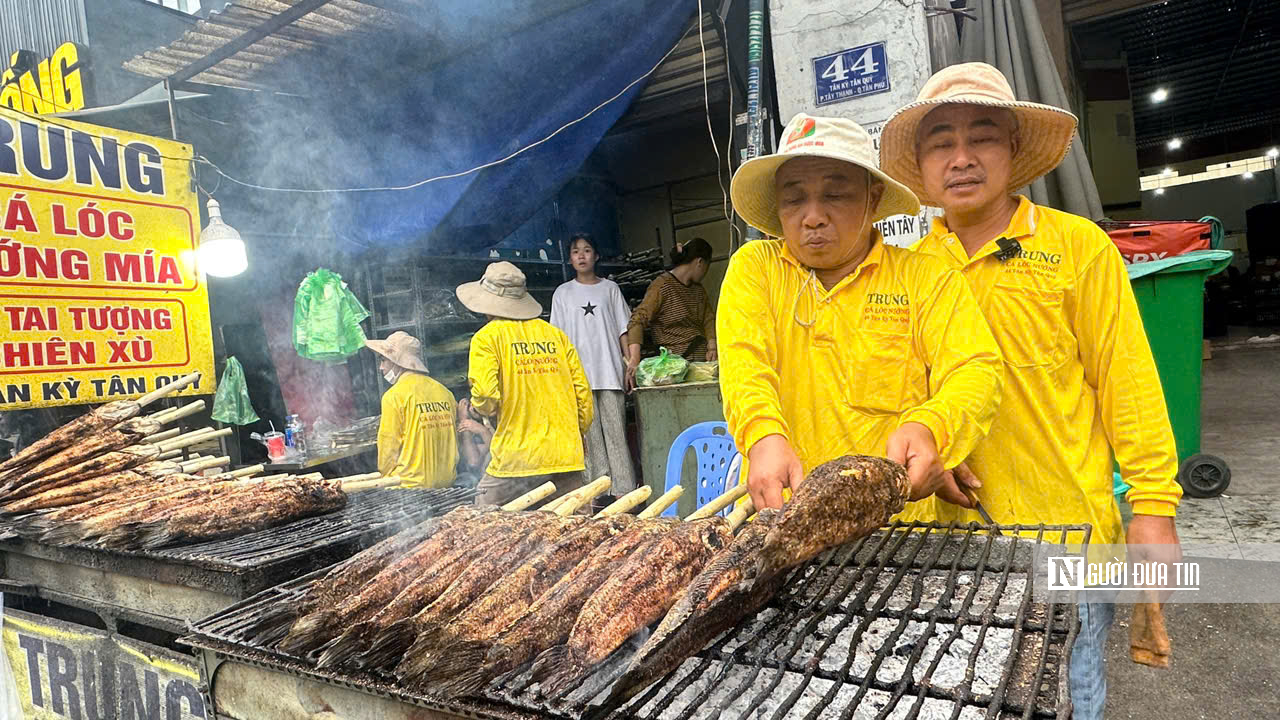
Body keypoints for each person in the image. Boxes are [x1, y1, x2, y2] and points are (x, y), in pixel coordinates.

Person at [878, 62, 1184, 720]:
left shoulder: (1079, 249)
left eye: (982, 136)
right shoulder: (906, 270)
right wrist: (942, 443)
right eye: (941, 142)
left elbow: (1127, 381)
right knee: (966, 695)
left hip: (1070, 537)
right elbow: (906, 387)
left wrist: (1154, 506)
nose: (962, 158)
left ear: (1014, 151)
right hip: (954, 544)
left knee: (1069, 696)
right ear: (923, 167)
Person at [721, 113, 1004, 514]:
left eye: (835, 195)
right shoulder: (757, 269)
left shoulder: (923, 277)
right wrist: (762, 435)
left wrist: (931, 426)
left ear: (872, 198)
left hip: (902, 522)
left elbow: (975, 368)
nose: (813, 216)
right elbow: (745, 363)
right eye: (794, 198)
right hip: (788, 512)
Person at [457, 261, 594, 506]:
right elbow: (582, 395)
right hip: (565, 454)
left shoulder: (486, 338)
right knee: (574, 532)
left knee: (481, 522)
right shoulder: (556, 336)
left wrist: (481, 410)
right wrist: (576, 432)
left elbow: (487, 396)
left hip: (516, 457)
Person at [551, 232, 637, 495]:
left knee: (616, 434)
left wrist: (630, 364)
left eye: (587, 250)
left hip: (610, 371)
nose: (581, 255)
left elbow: (625, 329)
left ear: (596, 256)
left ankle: (624, 490)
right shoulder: (562, 293)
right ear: (570, 258)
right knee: (590, 439)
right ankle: (598, 493)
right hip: (578, 378)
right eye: (576, 251)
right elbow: (557, 339)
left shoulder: (610, 289)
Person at [365, 331, 458, 489]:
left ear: (397, 362)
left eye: (383, 360)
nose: (381, 368)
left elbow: (388, 448)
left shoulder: (394, 396)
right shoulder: (445, 392)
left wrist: (386, 481)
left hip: (409, 488)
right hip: (446, 484)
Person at [625, 238, 717, 389]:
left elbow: (708, 319)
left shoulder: (699, 290)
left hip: (702, 367)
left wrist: (712, 347)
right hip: (673, 372)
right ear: (700, 262)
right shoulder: (661, 286)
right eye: (707, 266)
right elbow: (637, 320)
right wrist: (634, 358)